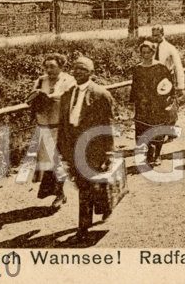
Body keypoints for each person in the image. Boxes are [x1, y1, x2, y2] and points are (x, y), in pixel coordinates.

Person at [57, 56, 114, 238]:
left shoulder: (101, 94)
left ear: (91, 73)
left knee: (85, 186)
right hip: (72, 144)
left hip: (93, 146)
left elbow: (107, 125)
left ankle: (82, 229)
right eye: (76, 69)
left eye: (83, 69)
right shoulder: (67, 95)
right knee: (86, 184)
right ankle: (105, 205)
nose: (78, 72)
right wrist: (61, 148)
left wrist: (108, 152)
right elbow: (63, 124)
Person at [28, 53, 76, 208]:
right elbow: (29, 98)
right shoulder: (41, 80)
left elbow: (66, 97)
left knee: (59, 161)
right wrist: (35, 96)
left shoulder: (68, 80)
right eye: (47, 66)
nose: (49, 70)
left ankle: (60, 194)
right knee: (49, 163)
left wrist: (49, 96)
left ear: (61, 66)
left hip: (61, 127)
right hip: (44, 126)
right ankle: (59, 193)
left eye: (52, 66)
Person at [130, 41, 178, 168]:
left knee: (157, 128)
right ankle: (149, 151)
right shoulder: (137, 69)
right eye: (143, 52)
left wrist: (168, 99)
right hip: (142, 104)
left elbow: (169, 84)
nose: (146, 55)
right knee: (142, 129)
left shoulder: (161, 68)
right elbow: (134, 87)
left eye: (149, 52)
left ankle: (157, 154)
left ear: (153, 52)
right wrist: (134, 102)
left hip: (157, 104)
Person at [150, 25, 185, 96]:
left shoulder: (170, 48)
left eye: (157, 35)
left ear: (162, 34)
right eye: (153, 35)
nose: (155, 38)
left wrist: (181, 86)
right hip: (153, 80)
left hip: (166, 80)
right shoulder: (152, 48)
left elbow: (178, 67)